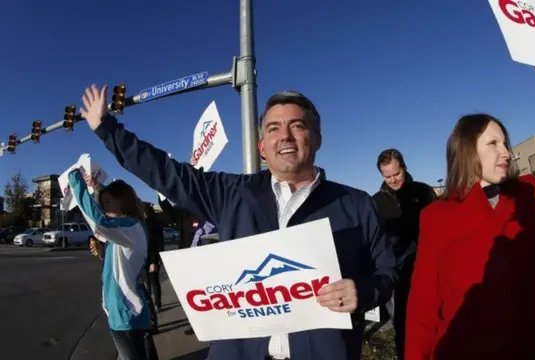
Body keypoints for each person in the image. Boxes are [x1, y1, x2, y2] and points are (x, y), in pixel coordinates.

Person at [80, 85, 398, 360]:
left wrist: (364, 292)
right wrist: (107, 129)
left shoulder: (356, 204)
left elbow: (388, 270)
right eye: (273, 128)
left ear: (316, 139)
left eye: (297, 125)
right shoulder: (230, 194)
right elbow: (164, 172)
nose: (285, 135)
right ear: (262, 147)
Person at [404, 57, 535, 360]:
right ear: (467, 150)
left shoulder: (529, 195)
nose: (506, 152)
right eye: (493, 143)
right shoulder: (437, 216)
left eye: (505, 143)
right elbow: (423, 306)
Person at [68, 168, 157, 360]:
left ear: (122, 201)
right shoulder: (125, 230)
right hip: (121, 313)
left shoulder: (130, 226)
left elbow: (99, 222)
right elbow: (119, 264)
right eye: (102, 203)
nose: (103, 207)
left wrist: (75, 181)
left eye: (107, 202)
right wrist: (102, 252)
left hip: (126, 314)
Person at [372, 148, 437, 360]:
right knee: (402, 322)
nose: (393, 180)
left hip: (428, 266)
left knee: (433, 318)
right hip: (398, 272)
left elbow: (440, 225)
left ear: (404, 168)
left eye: (396, 174)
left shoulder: (423, 192)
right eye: (387, 176)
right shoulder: (377, 202)